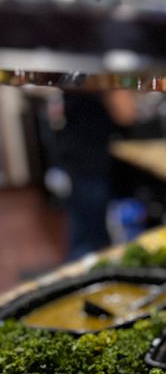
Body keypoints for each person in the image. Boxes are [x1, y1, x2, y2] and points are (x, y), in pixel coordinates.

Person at [57, 90, 137, 261]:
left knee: (85, 232)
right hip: (91, 159)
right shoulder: (103, 71)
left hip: (78, 155)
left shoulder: (81, 70)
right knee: (90, 243)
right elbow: (125, 113)